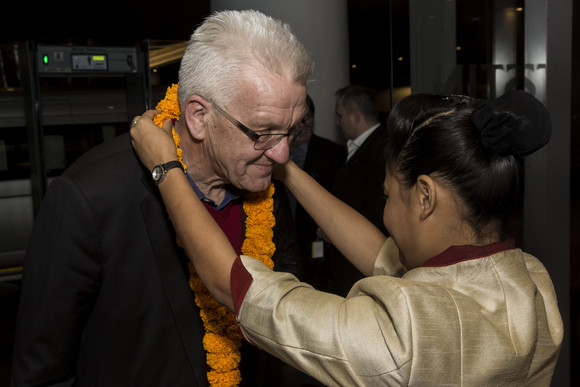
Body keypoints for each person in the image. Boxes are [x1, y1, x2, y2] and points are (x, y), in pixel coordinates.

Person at [130, 89, 563, 386]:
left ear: (426, 196)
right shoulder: (532, 280)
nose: (387, 216)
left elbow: (235, 285)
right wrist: (282, 165)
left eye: (388, 196)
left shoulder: (404, 334)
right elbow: (382, 255)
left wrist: (165, 167)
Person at [12, 10, 312, 386]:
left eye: (293, 129)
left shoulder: (264, 185)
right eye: (263, 132)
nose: (282, 155)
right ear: (199, 116)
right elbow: (41, 373)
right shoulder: (90, 197)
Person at [318, 85, 389, 296]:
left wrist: (335, 229)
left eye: (340, 115)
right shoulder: (360, 146)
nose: (337, 122)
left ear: (356, 116)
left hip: (362, 270)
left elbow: (375, 214)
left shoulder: (379, 151)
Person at [287, 95, 346, 283]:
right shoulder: (274, 152)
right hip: (283, 241)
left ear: (311, 118)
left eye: (305, 118)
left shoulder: (333, 153)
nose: (301, 124)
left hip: (316, 242)